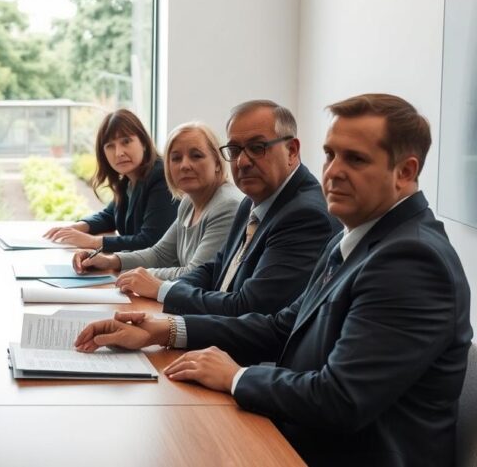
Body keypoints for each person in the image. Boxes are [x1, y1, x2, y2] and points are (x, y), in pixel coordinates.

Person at [75, 94, 472, 466]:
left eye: (355, 159)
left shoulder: (411, 261)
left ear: (405, 172)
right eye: (331, 154)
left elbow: (341, 399)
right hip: (299, 435)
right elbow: (282, 327)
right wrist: (163, 330)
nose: (332, 171)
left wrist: (237, 376)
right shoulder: (355, 238)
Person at [108, 100, 338, 316]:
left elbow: (249, 308)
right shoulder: (252, 201)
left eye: (257, 148)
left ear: (292, 151)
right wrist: (153, 286)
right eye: (235, 150)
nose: (243, 162)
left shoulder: (303, 215)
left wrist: (161, 291)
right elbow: (215, 269)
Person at [72, 122, 242, 281]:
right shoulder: (188, 201)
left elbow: (195, 274)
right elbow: (160, 254)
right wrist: (110, 261)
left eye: (196, 156)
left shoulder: (227, 205)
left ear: (218, 162)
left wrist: (138, 275)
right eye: (176, 158)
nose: (184, 165)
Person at [44, 109, 178, 252]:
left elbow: (150, 241)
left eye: (126, 142)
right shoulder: (128, 179)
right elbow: (110, 216)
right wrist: (76, 227)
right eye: (110, 146)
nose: (119, 153)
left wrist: (91, 241)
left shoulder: (162, 177)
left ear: (144, 143)